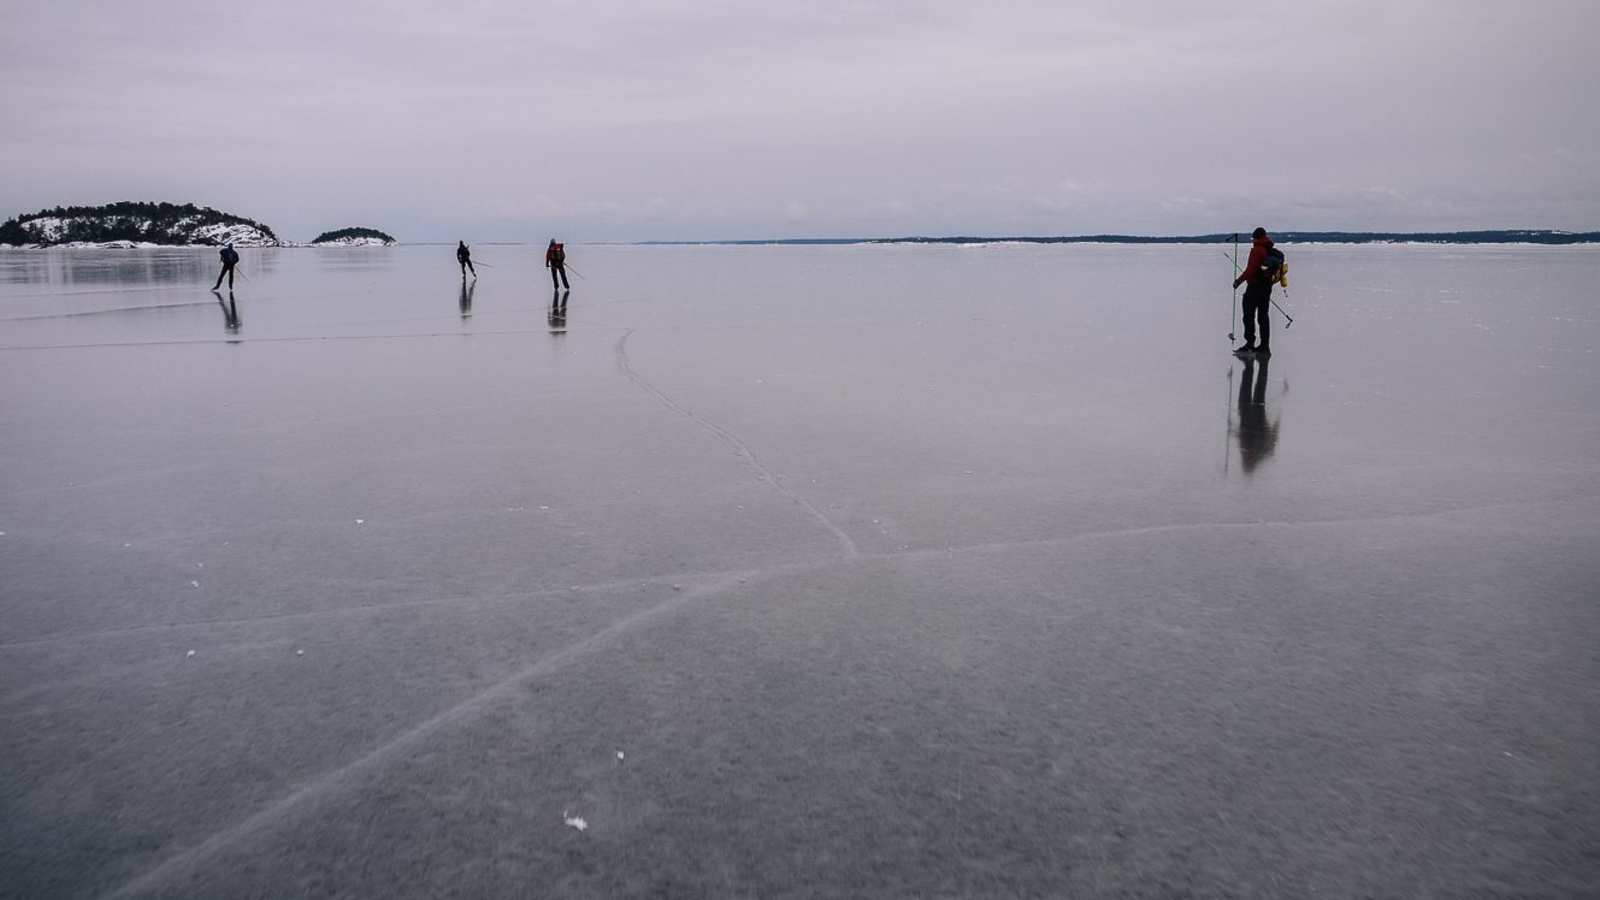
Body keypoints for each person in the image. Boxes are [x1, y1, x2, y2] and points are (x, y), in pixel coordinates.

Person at [1232, 227, 1278, 356]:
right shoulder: (1268, 248)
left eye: (1253, 239)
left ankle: (1249, 345)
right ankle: (1264, 346)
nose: (1252, 241)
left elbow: (1251, 269)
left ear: (1256, 238)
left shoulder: (1258, 250)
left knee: (1248, 315)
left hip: (1255, 287)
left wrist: (1238, 281)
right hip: (1266, 286)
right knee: (1263, 316)